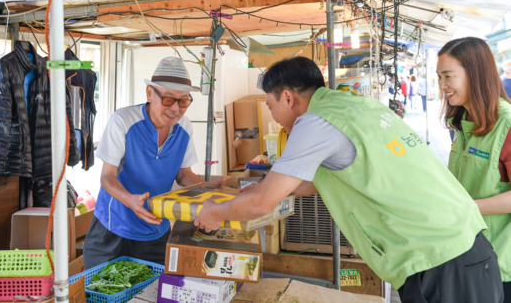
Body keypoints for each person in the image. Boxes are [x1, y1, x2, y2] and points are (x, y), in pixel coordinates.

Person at [194, 57, 502, 303]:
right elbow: (305, 184)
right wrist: (241, 188)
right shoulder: (353, 105)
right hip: (469, 248)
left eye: (270, 105)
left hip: (437, 263)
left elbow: (263, 203)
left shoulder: (314, 123)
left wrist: (215, 213)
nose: (273, 115)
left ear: (287, 97)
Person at [84, 57, 222, 269]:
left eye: (184, 100)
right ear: (150, 93)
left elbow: (184, 174)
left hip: (156, 229)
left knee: (150, 293)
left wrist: (208, 188)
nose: (176, 108)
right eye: (168, 99)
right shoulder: (123, 121)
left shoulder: (184, 127)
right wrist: (130, 200)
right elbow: (107, 176)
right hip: (113, 227)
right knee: (103, 292)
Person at [438, 37, 511, 302]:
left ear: (476, 74)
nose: (442, 86)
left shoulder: (507, 123)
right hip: (466, 256)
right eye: (439, 77)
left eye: (448, 76)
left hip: (499, 264)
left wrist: (466, 207)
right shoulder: (464, 121)